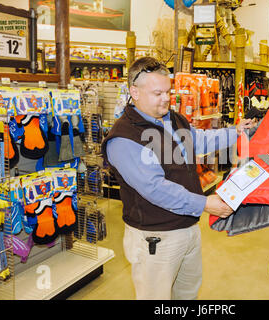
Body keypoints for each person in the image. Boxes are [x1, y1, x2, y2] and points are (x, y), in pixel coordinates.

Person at [101, 56, 254, 300]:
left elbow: (199, 141)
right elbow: (155, 189)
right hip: (156, 238)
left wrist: (234, 132)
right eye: (157, 93)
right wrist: (204, 203)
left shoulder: (172, 118)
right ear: (134, 92)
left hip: (187, 228)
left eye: (168, 92)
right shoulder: (124, 138)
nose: (165, 99)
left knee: (186, 294)